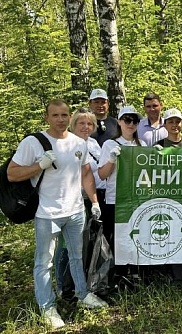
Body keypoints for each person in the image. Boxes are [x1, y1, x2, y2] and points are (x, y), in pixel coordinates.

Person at [7, 99, 108, 329]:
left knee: (76, 256)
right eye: (55, 115)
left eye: (64, 115)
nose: (60, 119)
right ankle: (47, 307)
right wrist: (38, 166)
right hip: (47, 213)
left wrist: (93, 201)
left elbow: (85, 174)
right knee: (44, 262)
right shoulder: (33, 142)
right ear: (47, 117)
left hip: (74, 212)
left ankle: (82, 295)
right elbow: (12, 174)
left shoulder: (78, 142)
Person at [55, 108, 106, 298]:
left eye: (89, 124)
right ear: (73, 124)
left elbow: (96, 171)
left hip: (90, 198)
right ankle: (62, 286)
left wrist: (95, 201)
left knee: (81, 245)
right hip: (68, 201)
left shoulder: (92, 144)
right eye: (81, 123)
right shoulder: (64, 144)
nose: (86, 127)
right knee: (65, 246)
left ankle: (78, 283)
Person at [98, 106, 146, 258]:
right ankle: (118, 273)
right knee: (116, 238)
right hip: (116, 200)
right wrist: (111, 160)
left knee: (136, 235)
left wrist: (157, 157)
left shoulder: (142, 145)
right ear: (119, 122)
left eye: (135, 121)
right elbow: (101, 175)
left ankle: (136, 270)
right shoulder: (109, 145)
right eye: (127, 120)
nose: (131, 124)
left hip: (137, 199)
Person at [154, 108, 182, 283]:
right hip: (167, 197)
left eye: (177, 121)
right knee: (171, 234)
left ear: (181, 124)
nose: (174, 125)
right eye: (170, 121)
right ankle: (176, 275)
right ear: (165, 124)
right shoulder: (159, 146)